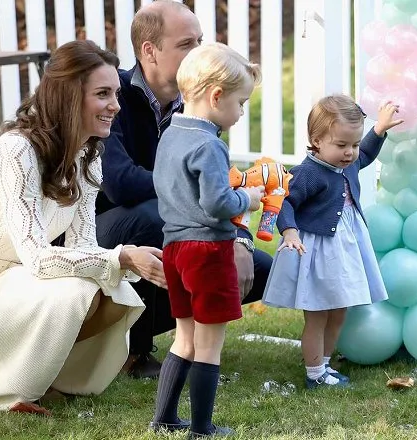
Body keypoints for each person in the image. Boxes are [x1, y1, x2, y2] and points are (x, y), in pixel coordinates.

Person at [0, 40, 166, 415]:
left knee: (112, 289)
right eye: (102, 94)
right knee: (76, 289)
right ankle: (6, 383)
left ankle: (56, 377)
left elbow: (84, 245)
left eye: (116, 94)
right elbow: (39, 260)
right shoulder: (17, 151)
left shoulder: (87, 158)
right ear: (69, 97)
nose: (116, 106)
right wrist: (121, 256)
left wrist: (117, 263)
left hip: (12, 284)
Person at [95, 0, 272, 379]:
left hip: (172, 223)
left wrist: (240, 239)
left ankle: (179, 338)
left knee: (259, 271)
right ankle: (136, 351)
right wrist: (183, 189)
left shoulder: (198, 104)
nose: (200, 52)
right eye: (187, 43)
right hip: (106, 235)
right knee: (153, 215)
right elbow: (120, 184)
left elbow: (219, 181)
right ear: (149, 51)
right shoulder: (114, 96)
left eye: (201, 41)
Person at [151, 42, 263, 438]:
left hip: (174, 248)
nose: (241, 111)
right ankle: (202, 427)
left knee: (184, 338)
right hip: (208, 251)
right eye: (240, 102)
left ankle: (164, 418)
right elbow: (217, 202)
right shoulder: (210, 144)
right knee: (210, 345)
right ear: (216, 96)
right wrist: (246, 198)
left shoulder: (170, 134)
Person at [262, 95, 403, 389]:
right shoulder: (309, 173)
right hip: (318, 251)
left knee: (339, 309)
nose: (350, 152)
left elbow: (364, 154)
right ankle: (314, 373)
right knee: (318, 313)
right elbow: (283, 201)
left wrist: (379, 130)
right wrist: (289, 230)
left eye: (352, 144)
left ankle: (324, 365)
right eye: (342, 145)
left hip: (346, 247)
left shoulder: (348, 159)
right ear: (317, 140)